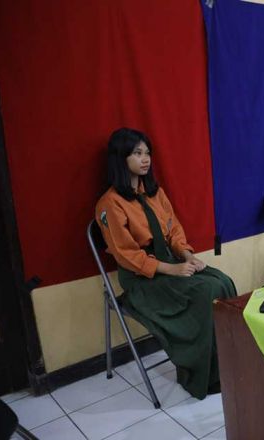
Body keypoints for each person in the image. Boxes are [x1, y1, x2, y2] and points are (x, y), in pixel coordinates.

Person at [95, 127, 237, 400]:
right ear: (120, 158)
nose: (145, 158)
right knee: (205, 292)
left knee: (222, 282)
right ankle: (200, 373)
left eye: (147, 152)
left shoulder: (154, 193)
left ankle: (226, 366)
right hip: (142, 277)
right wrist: (172, 269)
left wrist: (186, 256)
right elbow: (126, 254)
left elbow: (173, 231)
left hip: (171, 261)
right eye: (137, 153)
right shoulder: (109, 203)